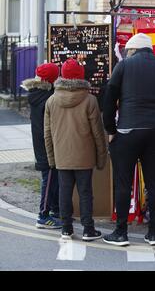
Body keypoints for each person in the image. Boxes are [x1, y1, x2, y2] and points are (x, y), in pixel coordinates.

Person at [103, 33, 155, 247]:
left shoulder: (123, 66)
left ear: (132, 50)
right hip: (154, 131)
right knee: (154, 183)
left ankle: (121, 232)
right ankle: (154, 233)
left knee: (123, 183)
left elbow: (109, 97)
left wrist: (110, 129)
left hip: (127, 130)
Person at [44, 59, 107, 241]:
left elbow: (47, 134)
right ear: (81, 76)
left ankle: (66, 229)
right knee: (85, 192)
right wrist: (101, 157)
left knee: (64, 191)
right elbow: (98, 133)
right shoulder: (90, 100)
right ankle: (88, 229)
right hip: (85, 155)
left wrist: (52, 159)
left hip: (62, 154)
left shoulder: (51, 101)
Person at [21, 63, 62, 229]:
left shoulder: (36, 94)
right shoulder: (48, 98)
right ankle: (43, 216)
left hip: (40, 143)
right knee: (49, 179)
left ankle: (54, 210)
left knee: (52, 178)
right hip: (47, 146)